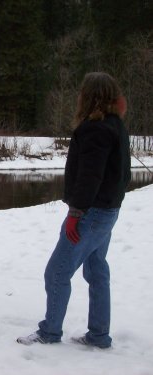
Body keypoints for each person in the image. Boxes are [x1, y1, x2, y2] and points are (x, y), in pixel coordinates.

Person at [17, 72, 131, 348]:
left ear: (90, 96)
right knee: (97, 271)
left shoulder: (95, 129)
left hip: (91, 215)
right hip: (107, 213)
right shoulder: (115, 125)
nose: (78, 96)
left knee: (56, 272)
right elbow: (120, 176)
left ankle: (50, 332)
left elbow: (90, 177)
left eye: (82, 91)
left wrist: (76, 214)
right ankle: (99, 335)